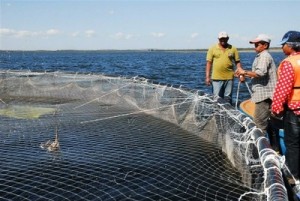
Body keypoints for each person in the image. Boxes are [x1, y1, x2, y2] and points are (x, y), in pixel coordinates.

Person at [271, 30, 300, 186]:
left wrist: (276, 108)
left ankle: (293, 177)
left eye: (283, 45)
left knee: (293, 143)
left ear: (291, 46)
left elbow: (283, 89)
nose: (282, 48)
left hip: (295, 111)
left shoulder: (289, 63)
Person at [236, 34, 277, 136]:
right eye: (255, 45)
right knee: (268, 122)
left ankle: (260, 148)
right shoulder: (262, 56)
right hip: (264, 95)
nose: (255, 47)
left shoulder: (264, 56)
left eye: (257, 45)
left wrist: (244, 72)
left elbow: (260, 73)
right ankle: (273, 147)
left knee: (259, 123)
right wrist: (244, 73)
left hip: (264, 96)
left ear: (265, 45)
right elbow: (259, 74)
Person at [205, 31, 242, 104]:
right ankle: (216, 114)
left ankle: (227, 113)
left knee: (228, 98)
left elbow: (237, 62)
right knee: (217, 99)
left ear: (228, 38)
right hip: (216, 78)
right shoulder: (212, 48)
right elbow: (209, 63)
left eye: (224, 38)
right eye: (221, 39)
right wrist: (207, 77)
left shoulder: (233, 48)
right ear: (218, 39)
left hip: (229, 78)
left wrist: (241, 74)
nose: (223, 40)